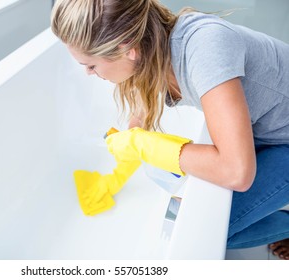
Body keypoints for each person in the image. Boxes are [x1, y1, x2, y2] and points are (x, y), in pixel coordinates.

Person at [51, 0, 289, 259]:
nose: (87, 73)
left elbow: (236, 172)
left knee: (214, 228)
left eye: (91, 65)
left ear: (126, 48)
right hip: (267, 127)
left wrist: (143, 145)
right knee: (196, 210)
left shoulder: (204, 48)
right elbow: (139, 116)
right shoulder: (153, 48)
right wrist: (126, 153)